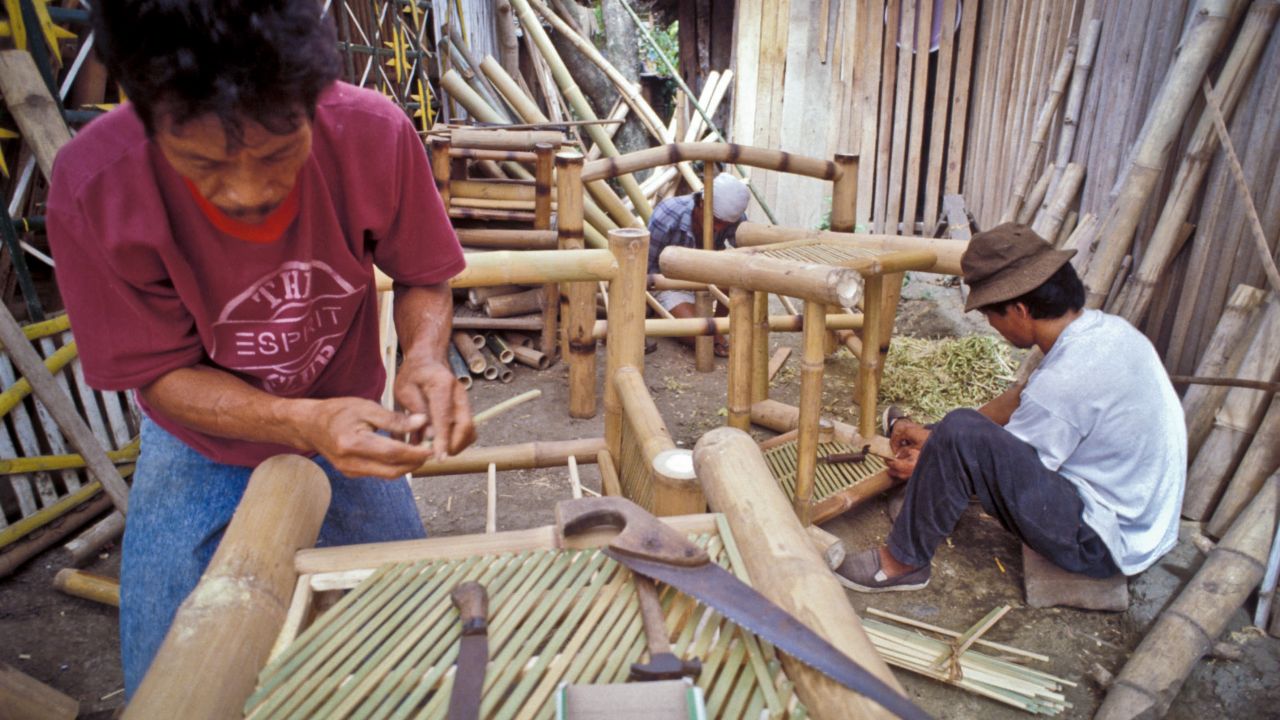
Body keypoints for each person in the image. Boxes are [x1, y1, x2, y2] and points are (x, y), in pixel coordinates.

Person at [45, 0, 474, 694]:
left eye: (279, 154)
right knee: (171, 681)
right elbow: (159, 375)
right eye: (202, 162)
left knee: (412, 651)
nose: (248, 191)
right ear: (144, 114)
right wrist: (300, 422)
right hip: (198, 442)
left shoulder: (372, 133)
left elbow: (424, 277)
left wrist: (424, 357)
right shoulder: (95, 186)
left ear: (313, 101)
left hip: (351, 415)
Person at [835, 224, 1186, 592]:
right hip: (1144, 521)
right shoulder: (1106, 331)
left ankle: (901, 563)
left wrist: (931, 458)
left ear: (1018, 310)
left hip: (1104, 542)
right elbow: (1019, 398)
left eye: (991, 316)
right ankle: (939, 449)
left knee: (961, 428)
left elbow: (996, 461)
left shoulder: (1064, 382)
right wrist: (933, 433)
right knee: (956, 430)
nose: (991, 325)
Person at [647, 172, 750, 356]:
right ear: (702, 203)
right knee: (701, 339)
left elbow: (748, 253)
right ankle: (674, 317)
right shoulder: (668, 215)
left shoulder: (733, 218)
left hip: (709, 276)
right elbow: (648, 270)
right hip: (670, 285)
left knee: (734, 272)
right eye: (716, 221)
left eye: (724, 224)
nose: (718, 228)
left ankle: (714, 327)